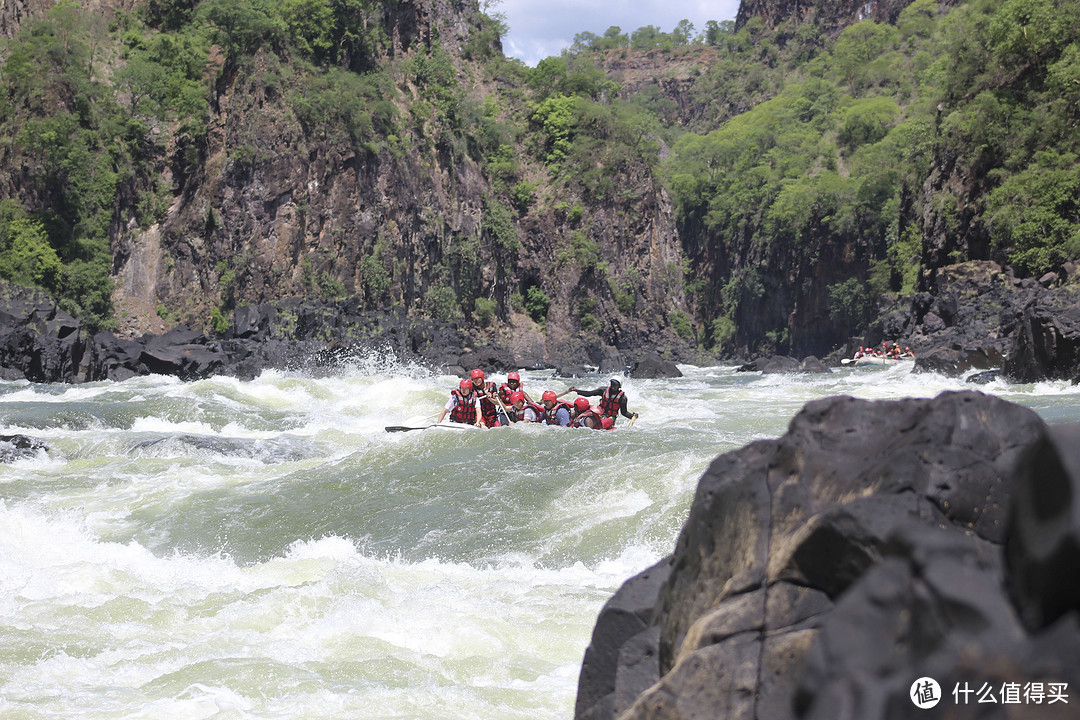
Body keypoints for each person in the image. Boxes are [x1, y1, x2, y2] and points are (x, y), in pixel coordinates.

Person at [569, 378, 637, 426]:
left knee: (600, 424)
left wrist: (632, 416)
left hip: (610, 417)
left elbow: (624, 412)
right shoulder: (603, 390)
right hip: (599, 412)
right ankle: (570, 422)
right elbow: (589, 393)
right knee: (580, 412)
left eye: (615, 384)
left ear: (619, 386)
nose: (613, 386)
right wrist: (577, 390)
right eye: (612, 383)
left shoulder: (622, 399)